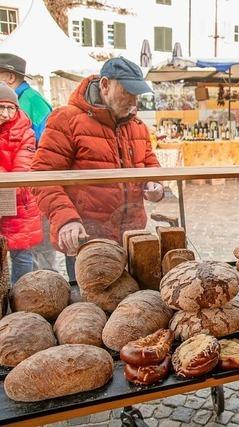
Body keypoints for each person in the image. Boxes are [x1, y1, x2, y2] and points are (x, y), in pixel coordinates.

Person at [31, 57, 164, 281]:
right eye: (126, 92)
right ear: (104, 85)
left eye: (136, 94)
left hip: (132, 235)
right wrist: (65, 219)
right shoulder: (66, 120)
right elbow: (42, 177)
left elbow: (150, 163)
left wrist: (155, 185)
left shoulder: (137, 125)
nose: (133, 101)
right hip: (86, 237)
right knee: (89, 308)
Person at [0, 54, 56, 272]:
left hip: (22, 198)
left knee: (30, 255)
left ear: (10, 76)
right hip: (12, 196)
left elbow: (39, 151)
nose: (6, 113)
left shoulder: (33, 102)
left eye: (9, 108)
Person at [0, 83, 42, 283]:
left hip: (20, 204)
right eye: (1, 107)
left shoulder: (25, 132)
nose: (6, 113)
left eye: (11, 108)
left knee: (22, 256)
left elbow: (23, 165)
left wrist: (8, 185)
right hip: (7, 197)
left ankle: (21, 299)